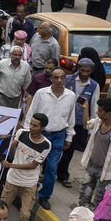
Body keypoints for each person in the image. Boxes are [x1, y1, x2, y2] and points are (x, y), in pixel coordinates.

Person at [26, 68, 77, 211]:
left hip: (59, 136)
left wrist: (69, 136)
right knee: (34, 164)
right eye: (56, 77)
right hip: (40, 134)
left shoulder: (71, 96)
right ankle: (29, 191)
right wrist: (26, 132)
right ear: (51, 79)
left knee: (51, 168)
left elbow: (70, 117)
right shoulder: (41, 93)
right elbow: (31, 113)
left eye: (62, 77)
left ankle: (44, 196)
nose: (59, 80)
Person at [0, 113, 51, 221]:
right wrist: (6, 152)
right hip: (13, 179)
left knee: (24, 215)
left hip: (29, 183)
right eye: (31, 123)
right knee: (1, 207)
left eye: (35, 125)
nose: (31, 127)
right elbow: (12, 146)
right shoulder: (22, 133)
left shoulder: (46, 145)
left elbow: (33, 165)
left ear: (42, 128)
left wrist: (10, 165)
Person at [76, 95, 111, 209]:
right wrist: (85, 108)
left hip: (106, 171)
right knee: (84, 193)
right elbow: (86, 124)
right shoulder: (97, 123)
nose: (97, 112)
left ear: (109, 114)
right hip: (91, 165)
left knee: (100, 199)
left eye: (100, 110)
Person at [56, 57, 100, 191]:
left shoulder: (94, 86)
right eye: (82, 70)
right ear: (78, 68)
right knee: (55, 147)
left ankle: (62, 175)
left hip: (79, 124)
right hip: (62, 120)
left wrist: (91, 130)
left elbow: (94, 108)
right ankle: (46, 171)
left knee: (69, 151)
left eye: (87, 71)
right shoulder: (67, 79)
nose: (84, 73)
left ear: (91, 71)